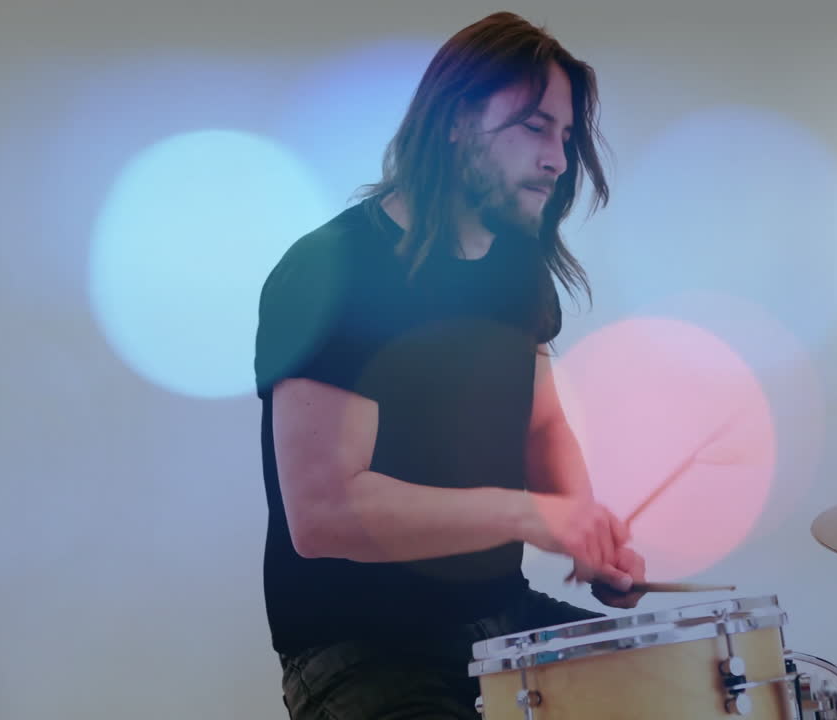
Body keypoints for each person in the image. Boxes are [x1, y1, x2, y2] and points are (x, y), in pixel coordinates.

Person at [253, 12, 647, 719]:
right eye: (535, 127)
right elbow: (324, 512)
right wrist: (529, 514)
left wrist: (588, 531)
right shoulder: (332, 269)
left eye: (565, 136)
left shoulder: (515, 264)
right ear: (457, 121)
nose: (559, 160)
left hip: (500, 617)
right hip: (362, 646)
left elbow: (543, 425)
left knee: (674, 685)